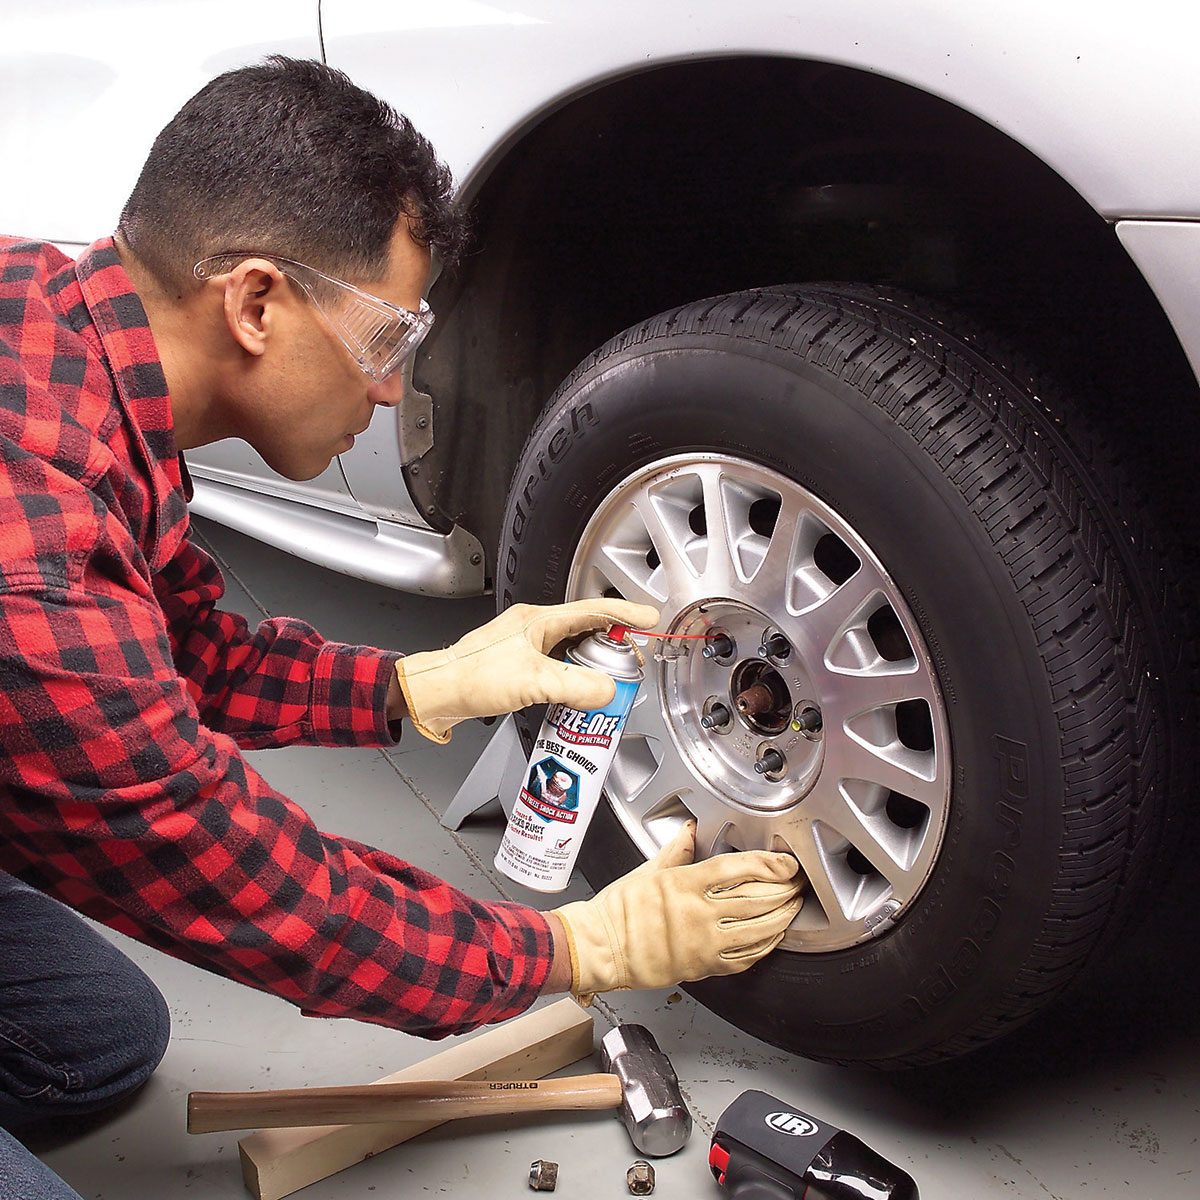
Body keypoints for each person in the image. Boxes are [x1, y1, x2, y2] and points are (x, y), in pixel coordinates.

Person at [0, 57, 805, 1197]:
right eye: (385, 342)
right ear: (256, 302)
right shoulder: (29, 557)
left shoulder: (57, 331)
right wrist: (578, 950)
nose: (392, 393)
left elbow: (180, 651)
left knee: (94, 1040)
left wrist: (417, 682)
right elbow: (247, 883)